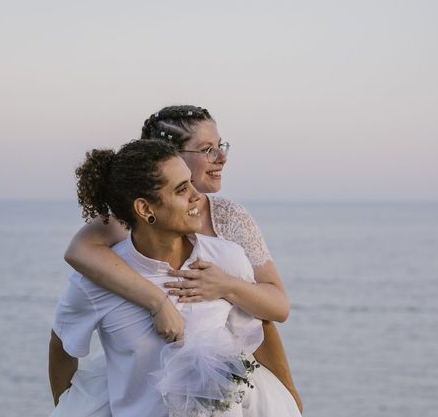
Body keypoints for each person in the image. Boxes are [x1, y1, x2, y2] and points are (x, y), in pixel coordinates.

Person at [63, 105, 303, 412]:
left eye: (220, 146)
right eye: (207, 150)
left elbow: (272, 314)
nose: (221, 157)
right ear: (169, 154)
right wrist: (156, 300)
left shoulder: (229, 219)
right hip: (145, 375)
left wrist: (225, 286)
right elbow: (78, 253)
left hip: (220, 380)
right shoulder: (130, 220)